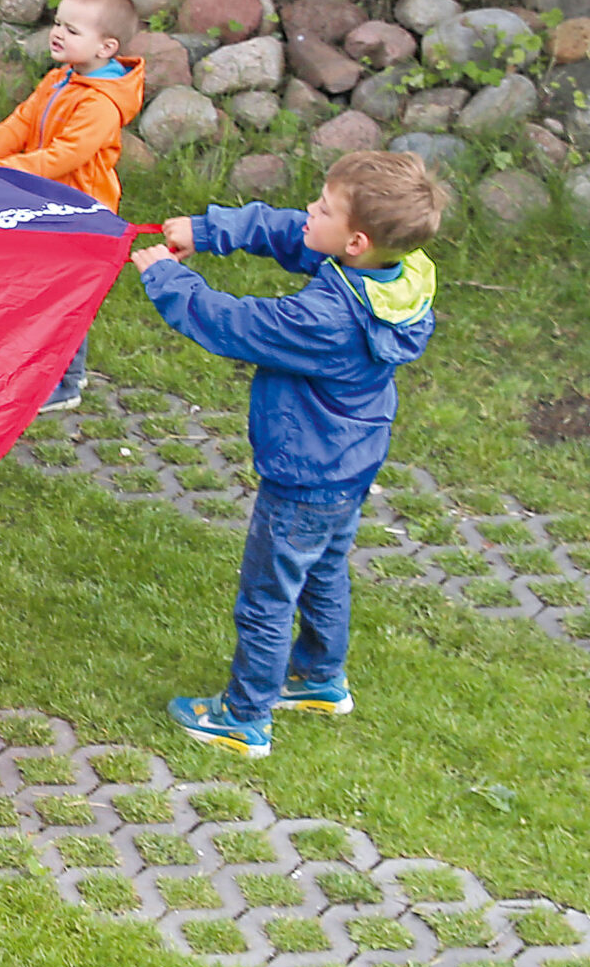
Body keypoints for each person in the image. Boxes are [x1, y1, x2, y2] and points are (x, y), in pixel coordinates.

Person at [131, 150, 445, 758]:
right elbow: (290, 231)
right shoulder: (394, 274)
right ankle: (320, 678)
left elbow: (237, 325)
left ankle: (244, 717)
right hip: (350, 461)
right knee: (323, 569)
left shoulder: (329, 319)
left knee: (267, 595)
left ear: (354, 241)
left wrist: (167, 279)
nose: (308, 211)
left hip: (305, 473)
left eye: (322, 207)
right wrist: (209, 231)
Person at [0, 0, 146, 412]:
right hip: (47, 206)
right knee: (38, 286)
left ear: (106, 47)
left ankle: (67, 381)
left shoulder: (100, 104)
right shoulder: (61, 78)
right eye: (58, 24)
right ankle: (39, 364)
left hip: (80, 215)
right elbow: (19, 124)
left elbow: (62, 157)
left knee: (66, 295)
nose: (57, 33)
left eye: (72, 30)